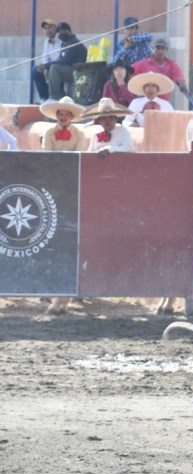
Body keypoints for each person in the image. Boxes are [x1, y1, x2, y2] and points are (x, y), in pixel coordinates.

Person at [39, 97, 87, 315]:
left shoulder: (80, 135)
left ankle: (65, 290)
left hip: (74, 183)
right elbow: (47, 156)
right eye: (60, 113)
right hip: (53, 183)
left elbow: (80, 156)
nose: (63, 116)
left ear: (72, 116)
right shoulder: (49, 133)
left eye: (66, 114)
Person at [47, 22, 87, 101]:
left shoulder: (73, 42)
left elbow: (65, 61)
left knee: (54, 68)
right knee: (48, 70)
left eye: (62, 31)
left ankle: (55, 97)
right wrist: (46, 66)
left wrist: (46, 65)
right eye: (59, 32)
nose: (60, 34)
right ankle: (60, 95)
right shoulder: (65, 43)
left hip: (78, 72)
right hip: (70, 70)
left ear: (68, 31)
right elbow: (60, 59)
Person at [31, 19, 60, 103]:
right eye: (46, 28)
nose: (48, 30)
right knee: (35, 70)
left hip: (60, 65)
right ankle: (45, 97)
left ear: (55, 28)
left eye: (50, 27)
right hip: (50, 66)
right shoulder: (46, 42)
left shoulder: (61, 39)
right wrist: (43, 66)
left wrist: (47, 65)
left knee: (54, 70)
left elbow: (61, 58)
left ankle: (55, 98)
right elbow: (45, 58)